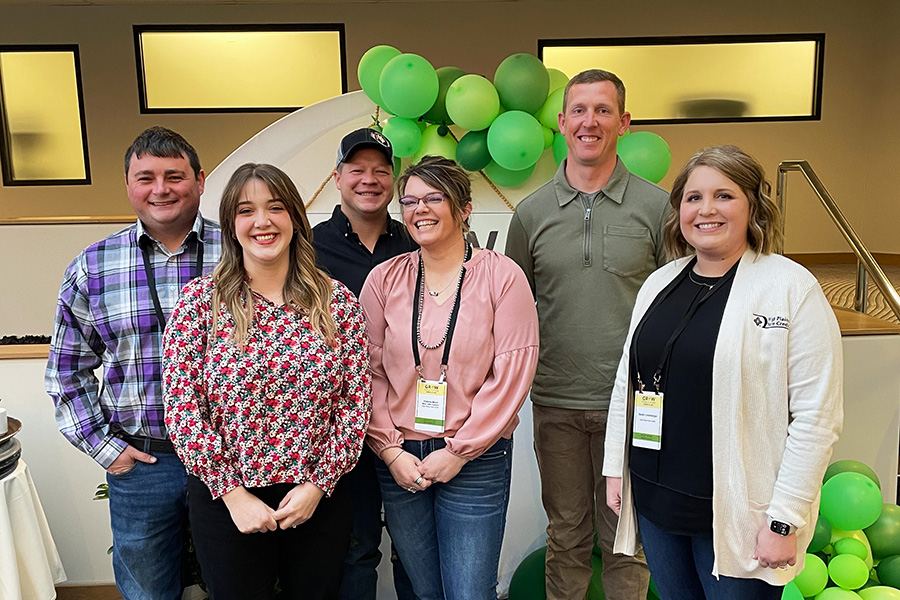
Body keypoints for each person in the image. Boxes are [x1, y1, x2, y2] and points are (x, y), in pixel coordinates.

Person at [603, 145, 843, 599]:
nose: (706, 209)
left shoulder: (791, 288)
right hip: (658, 507)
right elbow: (627, 383)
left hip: (740, 516)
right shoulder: (660, 282)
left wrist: (784, 518)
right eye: (693, 198)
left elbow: (817, 418)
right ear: (678, 211)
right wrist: (616, 468)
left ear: (753, 205)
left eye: (724, 196)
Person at [161, 163, 371, 599]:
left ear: (294, 217)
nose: (262, 221)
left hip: (317, 497)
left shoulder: (337, 303)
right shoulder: (201, 304)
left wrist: (317, 484)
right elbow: (183, 409)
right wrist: (233, 495)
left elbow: (355, 404)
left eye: (275, 207)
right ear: (231, 226)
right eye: (246, 210)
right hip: (228, 500)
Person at [505, 69, 667, 600]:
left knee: (627, 543)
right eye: (579, 110)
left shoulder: (658, 208)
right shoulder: (529, 215)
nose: (589, 121)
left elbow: (675, 310)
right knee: (568, 539)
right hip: (556, 406)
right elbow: (515, 314)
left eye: (602, 110)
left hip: (634, 406)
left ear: (624, 122)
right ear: (561, 121)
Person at [45, 126, 220, 600]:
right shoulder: (94, 266)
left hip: (232, 460)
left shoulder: (241, 253)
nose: (160, 189)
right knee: (147, 591)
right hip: (146, 462)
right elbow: (66, 370)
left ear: (200, 181)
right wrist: (107, 449)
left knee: (244, 585)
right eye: (146, 177)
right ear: (128, 185)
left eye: (174, 176)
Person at [360, 156, 539, 600]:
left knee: (469, 592)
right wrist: (389, 450)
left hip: (475, 459)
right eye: (411, 201)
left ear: (464, 208)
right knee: (424, 591)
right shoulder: (384, 279)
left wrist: (459, 452)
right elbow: (368, 372)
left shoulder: (502, 276)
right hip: (401, 461)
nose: (420, 209)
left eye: (434, 198)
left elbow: (513, 371)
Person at [312, 127, 418, 600]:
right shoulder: (308, 248)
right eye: (357, 169)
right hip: (340, 427)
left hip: (409, 421)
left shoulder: (418, 242)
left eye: (381, 170)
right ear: (337, 177)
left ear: (393, 179)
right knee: (355, 549)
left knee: (413, 550)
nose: (369, 179)